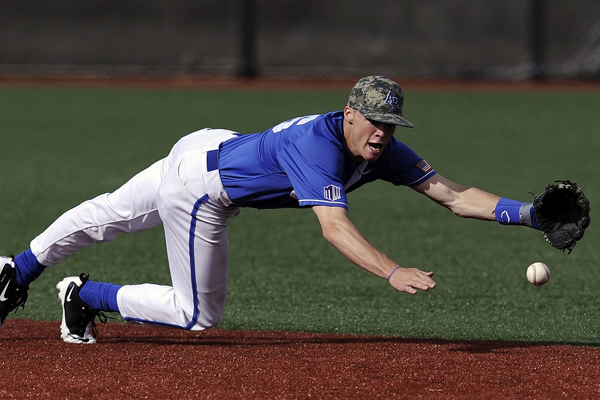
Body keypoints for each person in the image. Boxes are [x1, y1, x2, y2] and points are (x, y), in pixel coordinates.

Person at [0, 76, 540, 344]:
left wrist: (532, 214)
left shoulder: (381, 151)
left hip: (211, 146)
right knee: (197, 315)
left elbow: (453, 194)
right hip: (203, 190)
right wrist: (392, 270)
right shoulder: (318, 147)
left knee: (109, 213)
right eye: (373, 120)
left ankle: (19, 268)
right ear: (349, 114)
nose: (383, 132)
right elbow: (334, 227)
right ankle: (82, 295)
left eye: (391, 124)